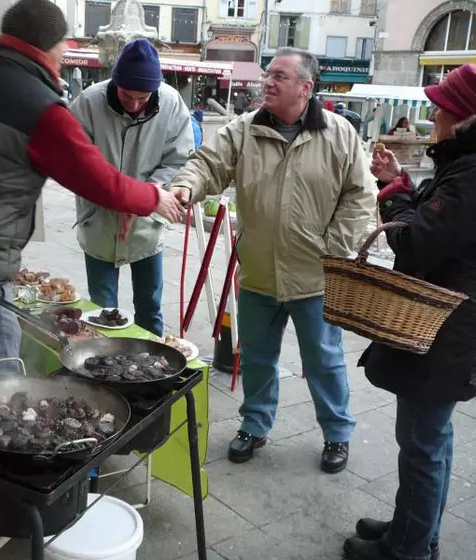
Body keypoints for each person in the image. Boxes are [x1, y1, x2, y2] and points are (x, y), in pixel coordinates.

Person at [0, 0, 185, 529]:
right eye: (65, 47)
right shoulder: (40, 107)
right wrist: (153, 198)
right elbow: (99, 181)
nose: (66, 57)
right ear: (49, 47)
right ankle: (6, 507)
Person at [167, 47, 376, 473]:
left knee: (324, 360)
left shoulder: (339, 134)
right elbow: (207, 164)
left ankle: (337, 433)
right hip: (259, 274)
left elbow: (362, 196)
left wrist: (332, 247)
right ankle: (254, 424)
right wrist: (186, 187)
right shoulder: (243, 129)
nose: (268, 82)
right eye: (268, 74)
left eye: (280, 76)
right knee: (257, 359)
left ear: (305, 87)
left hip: (314, 278)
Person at [343, 63, 476, 560]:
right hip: (445, 324)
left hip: (446, 328)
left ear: (464, 117)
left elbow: (418, 242)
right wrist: (400, 185)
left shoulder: (471, 172)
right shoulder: (462, 164)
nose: (434, 113)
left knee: (423, 443)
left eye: (443, 106)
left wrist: (396, 209)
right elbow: (431, 212)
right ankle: (414, 529)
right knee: (426, 440)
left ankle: (409, 548)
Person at [69, 39, 193, 337]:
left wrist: (144, 197)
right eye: (127, 95)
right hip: (99, 221)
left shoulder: (171, 102)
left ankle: (154, 372)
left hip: (147, 226)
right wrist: (122, 201)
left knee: (150, 306)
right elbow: (77, 166)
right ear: (115, 83)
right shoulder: (88, 103)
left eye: (143, 97)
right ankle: (102, 372)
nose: (135, 104)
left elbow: (180, 159)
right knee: (100, 310)